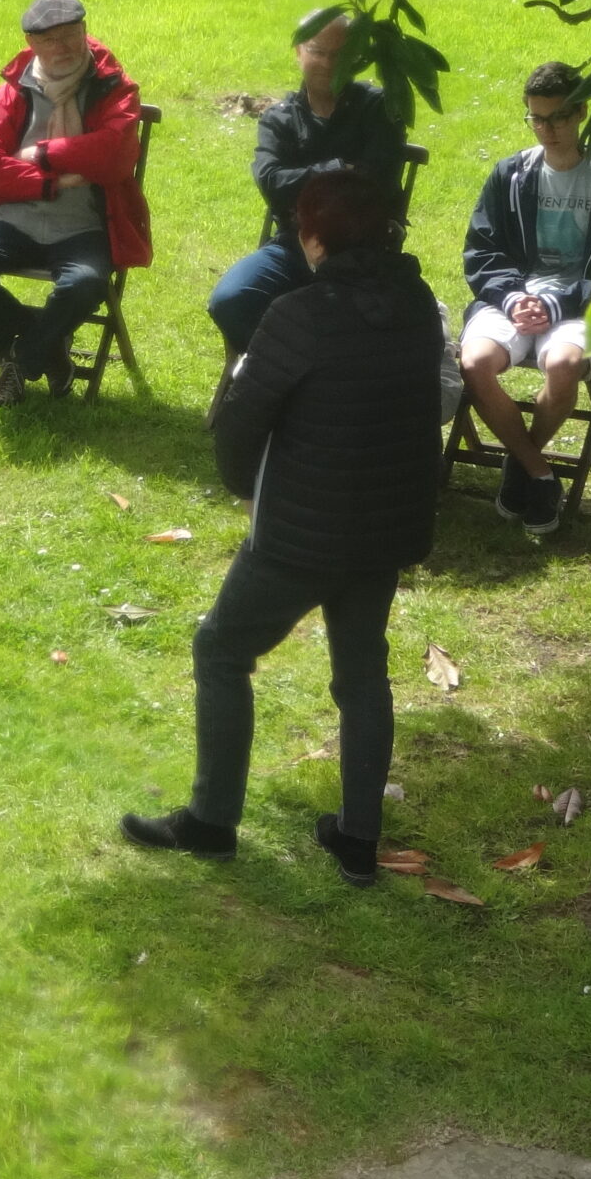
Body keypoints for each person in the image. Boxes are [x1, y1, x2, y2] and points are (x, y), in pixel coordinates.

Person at [121, 172, 444, 887]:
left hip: (301, 533)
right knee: (362, 677)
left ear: (315, 236)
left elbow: (242, 420)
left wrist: (243, 486)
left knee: (221, 649)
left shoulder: (298, 315)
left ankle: (211, 822)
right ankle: (358, 839)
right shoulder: (418, 303)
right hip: (384, 531)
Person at [457, 62, 591, 535]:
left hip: (582, 305)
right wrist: (511, 297)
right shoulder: (511, 174)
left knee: (562, 365)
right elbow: (481, 250)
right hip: (514, 297)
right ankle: (539, 472)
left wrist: (557, 304)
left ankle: (520, 464)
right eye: (536, 119)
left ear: (581, 112)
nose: (548, 130)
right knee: (474, 363)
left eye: (558, 117)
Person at [0, 0, 152, 406]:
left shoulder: (113, 88)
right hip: (14, 220)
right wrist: (51, 184)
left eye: (71, 34)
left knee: (86, 284)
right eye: (50, 40)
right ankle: (49, 347)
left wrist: (42, 154)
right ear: (31, 43)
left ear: (85, 31)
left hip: (84, 224)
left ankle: (20, 362)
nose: (64, 47)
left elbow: (114, 156)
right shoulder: (11, 92)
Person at [207, 10, 405, 357]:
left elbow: (375, 185)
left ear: (355, 58)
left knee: (348, 316)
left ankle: (306, 375)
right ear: (299, 51)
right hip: (294, 243)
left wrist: (302, 182)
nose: (327, 63)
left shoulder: (379, 110)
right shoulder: (279, 119)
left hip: (363, 251)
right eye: (317, 52)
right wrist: (341, 168)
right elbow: (272, 182)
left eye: (339, 54)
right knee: (230, 300)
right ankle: (288, 371)